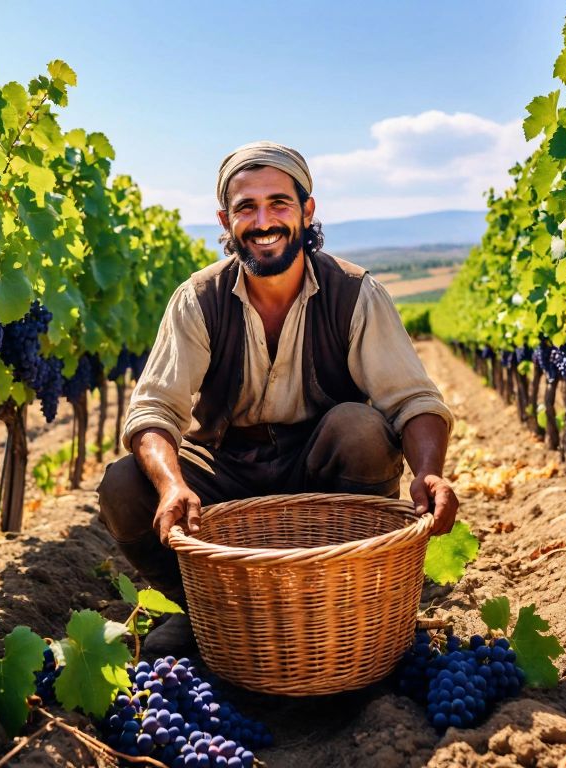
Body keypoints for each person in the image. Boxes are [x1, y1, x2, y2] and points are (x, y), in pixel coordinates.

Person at [97, 141, 459, 654]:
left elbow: (414, 400)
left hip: (318, 469)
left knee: (362, 431)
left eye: (279, 203)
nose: (263, 220)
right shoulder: (198, 299)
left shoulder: (355, 292)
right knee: (126, 484)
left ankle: (344, 600)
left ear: (307, 210)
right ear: (226, 221)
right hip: (225, 470)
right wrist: (173, 482)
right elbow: (154, 409)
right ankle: (203, 611)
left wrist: (428, 472)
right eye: (246, 207)